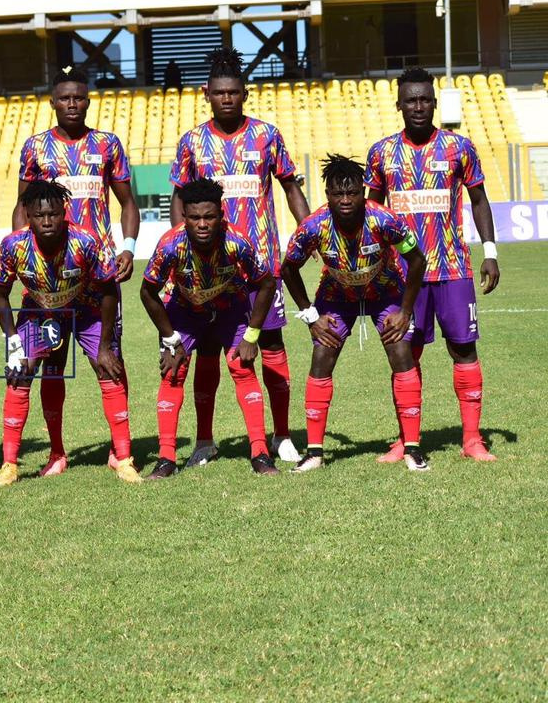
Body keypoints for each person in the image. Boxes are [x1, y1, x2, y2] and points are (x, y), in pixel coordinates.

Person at [168, 47, 311, 468]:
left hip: (262, 265)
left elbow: (289, 186)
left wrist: (309, 235)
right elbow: (180, 197)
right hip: (207, 270)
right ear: (206, 94)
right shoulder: (192, 141)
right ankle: (205, 440)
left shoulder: (267, 135)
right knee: (209, 351)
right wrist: (180, 246)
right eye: (219, 93)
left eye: (234, 92)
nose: (227, 99)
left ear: (244, 93)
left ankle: (282, 434)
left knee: (270, 343)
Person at [366, 67, 500, 463]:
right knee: (405, 354)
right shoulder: (382, 153)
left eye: (425, 100)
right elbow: (372, 211)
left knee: (464, 349)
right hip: (403, 275)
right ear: (399, 105)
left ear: (434, 103)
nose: (419, 107)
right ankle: (407, 441)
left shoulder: (459, 147)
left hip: (453, 267)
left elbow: (478, 200)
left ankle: (472, 439)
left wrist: (489, 251)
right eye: (411, 100)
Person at [13, 65, 141, 472]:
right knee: (51, 364)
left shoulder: (107, 144)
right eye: (64, 98)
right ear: (52, 102)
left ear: (88, 101)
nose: (72, 104)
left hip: (97, 274)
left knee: (109, 359)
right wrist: (23, 254)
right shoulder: (35, 148)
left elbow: (128, 203)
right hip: (48, 279)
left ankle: (120, 451)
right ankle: (56, 451)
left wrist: (128, 248)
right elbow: (22, 207)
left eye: (79, 98)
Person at [281, 154, 429, 472]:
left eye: (352, 193)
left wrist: (405, 311)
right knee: (322, 357)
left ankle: (413, 448)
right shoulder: (313, 226)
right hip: (336, 297)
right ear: (328, 195)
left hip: (384, 292)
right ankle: (315, 453)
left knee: (402, 353)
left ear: (363, 192)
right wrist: (310, 315)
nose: (345, 200)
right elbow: (288, 269)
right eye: (338, 194)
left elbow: (417, 260)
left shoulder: (383, 219)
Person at [0, 180, 139, 486]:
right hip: (39, 312)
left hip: (87, 309)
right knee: (21, 371)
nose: (47, 221)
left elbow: (108, 292)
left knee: (109, 368)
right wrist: (13, 342)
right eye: (40, 215)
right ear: (28, 214)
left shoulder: (84, 241)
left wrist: (106, 344)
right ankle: (18, 463)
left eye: (54, 214)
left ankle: (122, 458)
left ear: (64, 213)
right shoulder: (13, 246)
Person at [140, 178, 281, 477]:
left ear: (221, 214)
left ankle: (260, 453)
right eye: (194, 218)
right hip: (185, 312)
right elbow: (147, 292)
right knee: (173, 371)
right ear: (183, 216)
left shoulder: (237, 241)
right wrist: (170, 339)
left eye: (209, 216)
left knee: (242, 367)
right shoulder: (170, 245)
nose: (202, 224)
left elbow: (266, 283)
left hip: (230, 309)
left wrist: (252, 334)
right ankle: (166, 459)